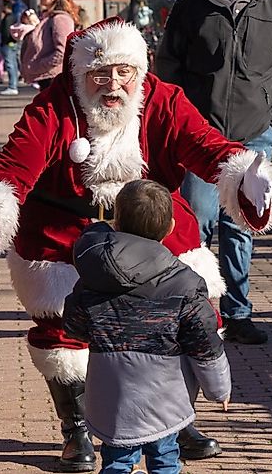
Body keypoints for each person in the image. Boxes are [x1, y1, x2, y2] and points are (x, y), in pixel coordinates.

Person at [0, 18, 272, 470]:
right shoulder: (53, 106)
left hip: (153, 222)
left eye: (124, 72)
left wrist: (243, 173)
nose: (114, 85)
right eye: (100, 74)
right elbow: (16, 161)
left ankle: (175, 420)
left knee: (194, 311)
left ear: (139, 70)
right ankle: (78, 430)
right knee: (63, 330)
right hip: (68, 231)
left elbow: (205, 145)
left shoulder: (163, 98)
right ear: (79, 75)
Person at [156, 0, 272, 345]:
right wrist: (183, 120)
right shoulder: (193, 4)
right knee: (197, 224)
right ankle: (196, 312)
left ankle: (238, 314)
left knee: (242, 228)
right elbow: (168, 68)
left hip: (254, 136)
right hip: (201, 137)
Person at [63, 179, 231, 473]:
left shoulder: (94, 273)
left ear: (115, 222)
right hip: (164, 398)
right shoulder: (184, 283)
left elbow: (74, 325)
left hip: (110, 397)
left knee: (116, 462)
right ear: (170, 228)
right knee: (165, 459)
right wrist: (219, 390)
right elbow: (205, 345)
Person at [20, 0, 79, 90]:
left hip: (55, 78)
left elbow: (63, 52)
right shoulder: (48, 17)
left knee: (53, 107)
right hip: (47, 78)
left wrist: (38, 65)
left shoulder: (60, 19)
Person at [0, 0, 20, 96]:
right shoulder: (15, 17)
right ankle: (14, 84)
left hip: (8, 44)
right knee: (14, 64)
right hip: (14, 43)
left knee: (10, 65)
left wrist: (5, 42)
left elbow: (6, 32)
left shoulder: (7, 18)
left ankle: (12, 86)